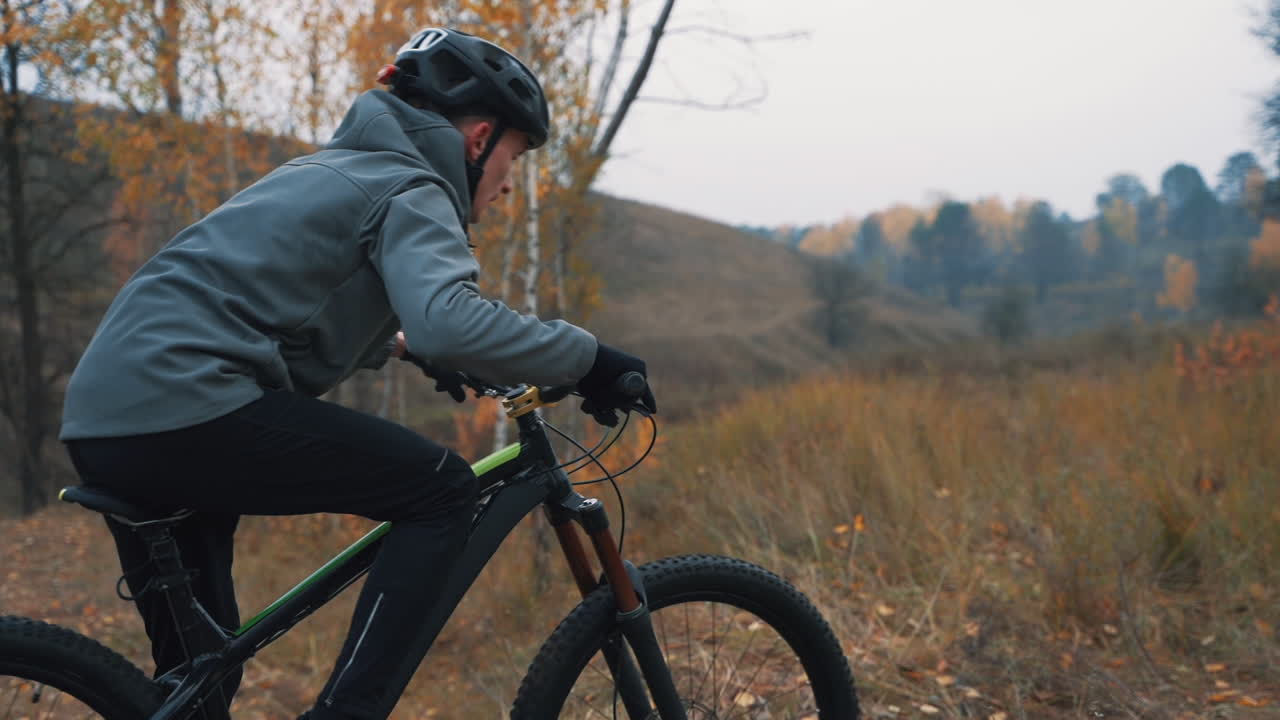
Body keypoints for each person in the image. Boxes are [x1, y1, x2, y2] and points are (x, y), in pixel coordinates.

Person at [59, 27, 655, 720]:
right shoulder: (412, 184)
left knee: (198, 684)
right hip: (187, 405)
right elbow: (449, 317)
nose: (506, 185)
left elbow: (295, 299)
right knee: (440, 492)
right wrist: (592, 359)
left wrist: (410, 350)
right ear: (480, 137)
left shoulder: (325, 172)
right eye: (514, 160)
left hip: (113, 417)